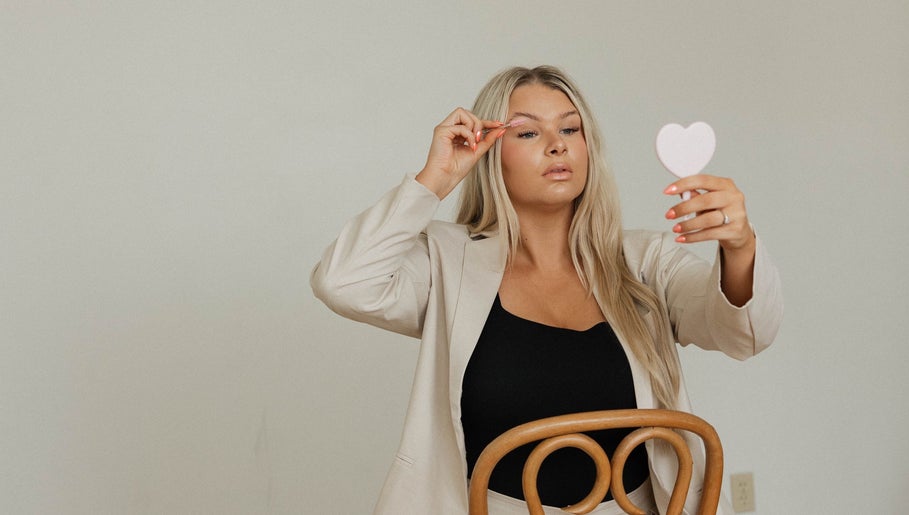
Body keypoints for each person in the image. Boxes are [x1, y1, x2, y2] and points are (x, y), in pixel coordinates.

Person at [311, 65, 782, 515]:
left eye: (570, 130)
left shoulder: (644, 261)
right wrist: (435, 179)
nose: (557, 146)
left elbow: (745, 333)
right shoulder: (447, 260)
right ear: (490, 148)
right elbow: (343, 281)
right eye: (529, 132)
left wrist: (739, 245)